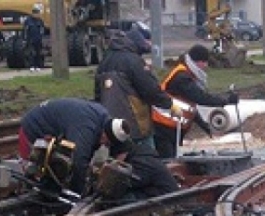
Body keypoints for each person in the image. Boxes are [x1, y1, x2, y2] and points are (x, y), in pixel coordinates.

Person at [17, 98, 178, 201]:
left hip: (55, 125)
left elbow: (118, 150)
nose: (104, 145)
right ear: (103, 133)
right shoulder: (85, 128)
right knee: (57, 169)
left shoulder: (104, 120)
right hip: (33, 130)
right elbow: (79, 161)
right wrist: (81, 197)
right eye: (105, 142)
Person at [95, 25, 180, 150]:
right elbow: (150, 89)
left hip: (110, 127)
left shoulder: (104, 61)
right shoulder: (133, 61)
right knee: (147, 161)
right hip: (135, 126)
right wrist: (169, 104)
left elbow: (98, 95)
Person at [152, 44, 239, 159]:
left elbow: (189, 107)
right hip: (163, 127)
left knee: (171, 161)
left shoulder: (185, 74)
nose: (206, 66)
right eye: (205, 62)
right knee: (167, 162)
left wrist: (204, 126)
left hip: (170, 127)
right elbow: (200, 97)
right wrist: (226, 100)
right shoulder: (182, 78)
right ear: (197, 61)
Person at [24, 7, 45, 72]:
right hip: (30, 40)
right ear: (33, 14)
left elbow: (42, 30)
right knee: (31, 53)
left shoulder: (40, 21)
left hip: (38, 39)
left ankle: (38, 66)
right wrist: (25, 39)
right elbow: (25, 30)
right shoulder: (28, 21)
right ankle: (32, 66)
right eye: (36, 13)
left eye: (38, 13)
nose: (37, 15)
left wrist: (42, 38)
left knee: (38, 53)